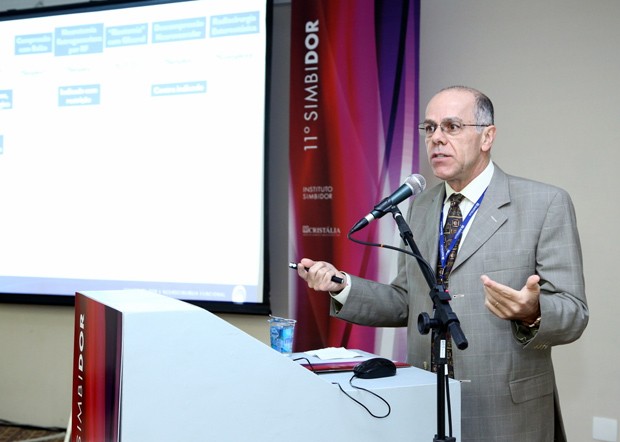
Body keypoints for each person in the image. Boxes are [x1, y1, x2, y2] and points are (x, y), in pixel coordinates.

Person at [295, 85, 588, 442]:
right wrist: (343, 286)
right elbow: (409, 300)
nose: (436, 139)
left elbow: (574, 312)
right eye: (429, 128)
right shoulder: (421, 206)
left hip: (506, 410)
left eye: (451, 127)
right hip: (428, 401)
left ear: (487, 137)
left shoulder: (544, 203)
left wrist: (532, 311)